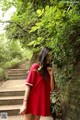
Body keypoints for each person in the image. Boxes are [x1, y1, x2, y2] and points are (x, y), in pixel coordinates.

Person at [20, 47, 55, 120]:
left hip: (40, 103)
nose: (50, 57)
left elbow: (52, 89)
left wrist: (51, 75)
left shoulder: (48, 70)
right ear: (44, 55)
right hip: (31, 101)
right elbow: (28, 86)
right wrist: (24, 104)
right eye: (49, 55)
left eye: (51, 55)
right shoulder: (35, 67)